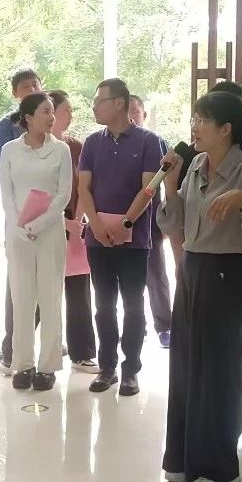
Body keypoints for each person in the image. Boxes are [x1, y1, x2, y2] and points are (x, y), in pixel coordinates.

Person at [157, 90, 242, 482]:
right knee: (186, 364)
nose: (195, 127)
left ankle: (222, 468)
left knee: (219, 370)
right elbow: (173, 223)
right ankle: (183, 457)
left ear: (226, 129)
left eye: (203, 121)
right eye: (194, 119)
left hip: (226, 272)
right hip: (193, 269)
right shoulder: (194, 165)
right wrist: (169, 185)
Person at [79, 78, 166, 395]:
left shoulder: (148, 141)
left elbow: (149, 189)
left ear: (119, 103)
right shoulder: (92, 142)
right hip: (98, 239)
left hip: (135, 240)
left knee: (133, 305)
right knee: (103, 306)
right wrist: (96, 225)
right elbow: (83, 188)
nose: (94, 107)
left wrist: (126, 223)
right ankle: (107, 368)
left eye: (99, 101)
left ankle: (131, 370)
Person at [0, 92, 71, 391]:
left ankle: (48, 366)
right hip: (18, 234)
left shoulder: (61, 150)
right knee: (22, 298)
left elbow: (63, 194)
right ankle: (24, 364)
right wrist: (19, 227)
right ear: (28, 117)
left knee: (50, 298)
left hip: (50, 233)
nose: (51, 117)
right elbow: (6, 194)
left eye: (52, 111)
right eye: (45, 111)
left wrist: (39, 224)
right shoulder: (9, 150)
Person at [0, 69, 45, 373]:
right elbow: (0, 163)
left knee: (47, 279)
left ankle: (46, 343)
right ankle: (10, 346)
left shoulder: (49, 118)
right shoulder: (7, 125)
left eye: (35, 84)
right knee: (17, 279)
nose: (31, 89)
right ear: (15, 94)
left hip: (49, 212)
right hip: (18, 211)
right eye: (25, 87)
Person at [49, 89, 99, 373]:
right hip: (44, 223)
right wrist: (58, 220)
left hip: (75, 222)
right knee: (41, 290)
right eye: (65, 109)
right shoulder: (36, 147)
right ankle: (15, 350)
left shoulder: (76, 146)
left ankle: (82, 353)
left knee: (79, 288)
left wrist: (77, 220)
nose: (70, 115)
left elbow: (84, 186)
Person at [130, 94, 175, 348]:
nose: (131, 116)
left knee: (156, 274)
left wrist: (166, 219)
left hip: (151, 219)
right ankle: (135, 326)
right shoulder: (114, 144)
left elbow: (168, 184)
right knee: (128, 279)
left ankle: (165, 326)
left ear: (144, 115)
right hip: (123, 220)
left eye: (136, 111)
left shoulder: (157, 142)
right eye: (127, 111)